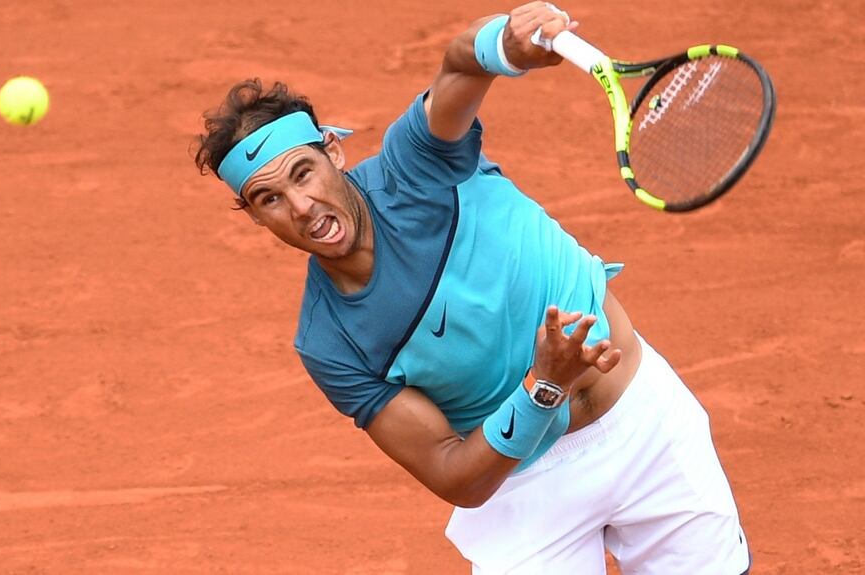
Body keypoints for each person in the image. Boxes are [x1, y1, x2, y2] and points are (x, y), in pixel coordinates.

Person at [195, 3, 751, 573]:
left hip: (644, 424)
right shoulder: (331, 343)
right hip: (524, 494)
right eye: (270, 199)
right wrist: (544, 388)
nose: (301, 206)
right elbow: (451, 472)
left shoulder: (415, 166)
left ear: (333, 152)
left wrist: (506, 44)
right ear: (255, 216)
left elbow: (460, 68)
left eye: (303, 173)